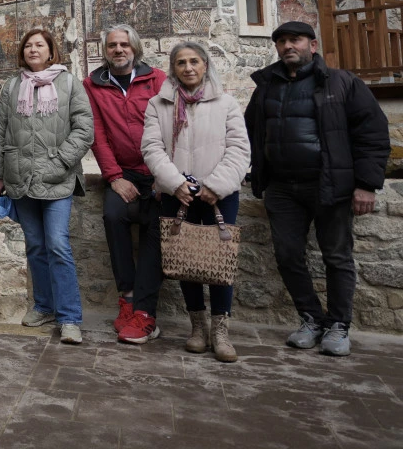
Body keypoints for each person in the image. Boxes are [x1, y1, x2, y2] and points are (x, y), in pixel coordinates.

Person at [245, 21, 389, 357]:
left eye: (294, 40)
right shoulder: (266, 85)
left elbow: (372, 133)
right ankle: (311, 318)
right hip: (282, 188)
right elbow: (249, 131)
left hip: (330, 185)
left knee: (336, 257)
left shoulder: (342, 82)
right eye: (281, 41)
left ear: (312, 44)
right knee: (287, 256)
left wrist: (366, 184)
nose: (287, 46)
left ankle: (338, 325)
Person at [142, 41, 249, 363]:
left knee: (219, 261)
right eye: (181, 63)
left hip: (219, 195)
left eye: (194, 61)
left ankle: (220, 331)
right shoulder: (158, 104)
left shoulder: (226, 103)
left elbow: (239, 149)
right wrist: (175, 183)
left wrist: (215, 186)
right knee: (186, 259)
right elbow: (152, 148)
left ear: (205, 65)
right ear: (173, 68)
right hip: (178, 193)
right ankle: (198, 327)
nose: (188, 68)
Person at [0, 27, 93, 345]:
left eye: (39, 45)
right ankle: (44, 307)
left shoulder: (69, 83)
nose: (33, 50)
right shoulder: (12, 86)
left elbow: (84, 128)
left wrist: (61, 162)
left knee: (58, 245)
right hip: (20, 178)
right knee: (35, 245)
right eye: (28, 46)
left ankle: (69, 317)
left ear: (51, 52)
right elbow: (0, 129)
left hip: (58, 178)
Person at [83, 25, 167, 343]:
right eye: (112, 45)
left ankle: (145, 311)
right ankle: (128, 298)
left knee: (155, 228)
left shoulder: (156, 79)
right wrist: (115, 177)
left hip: (158, 170)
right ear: (105, 51)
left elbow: (171, 126)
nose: (119, 50)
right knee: (113, 215)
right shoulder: (92, 85)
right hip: (124, 172)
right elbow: (98, 134)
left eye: (124, 44)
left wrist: (164, 176)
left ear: (135, 48)